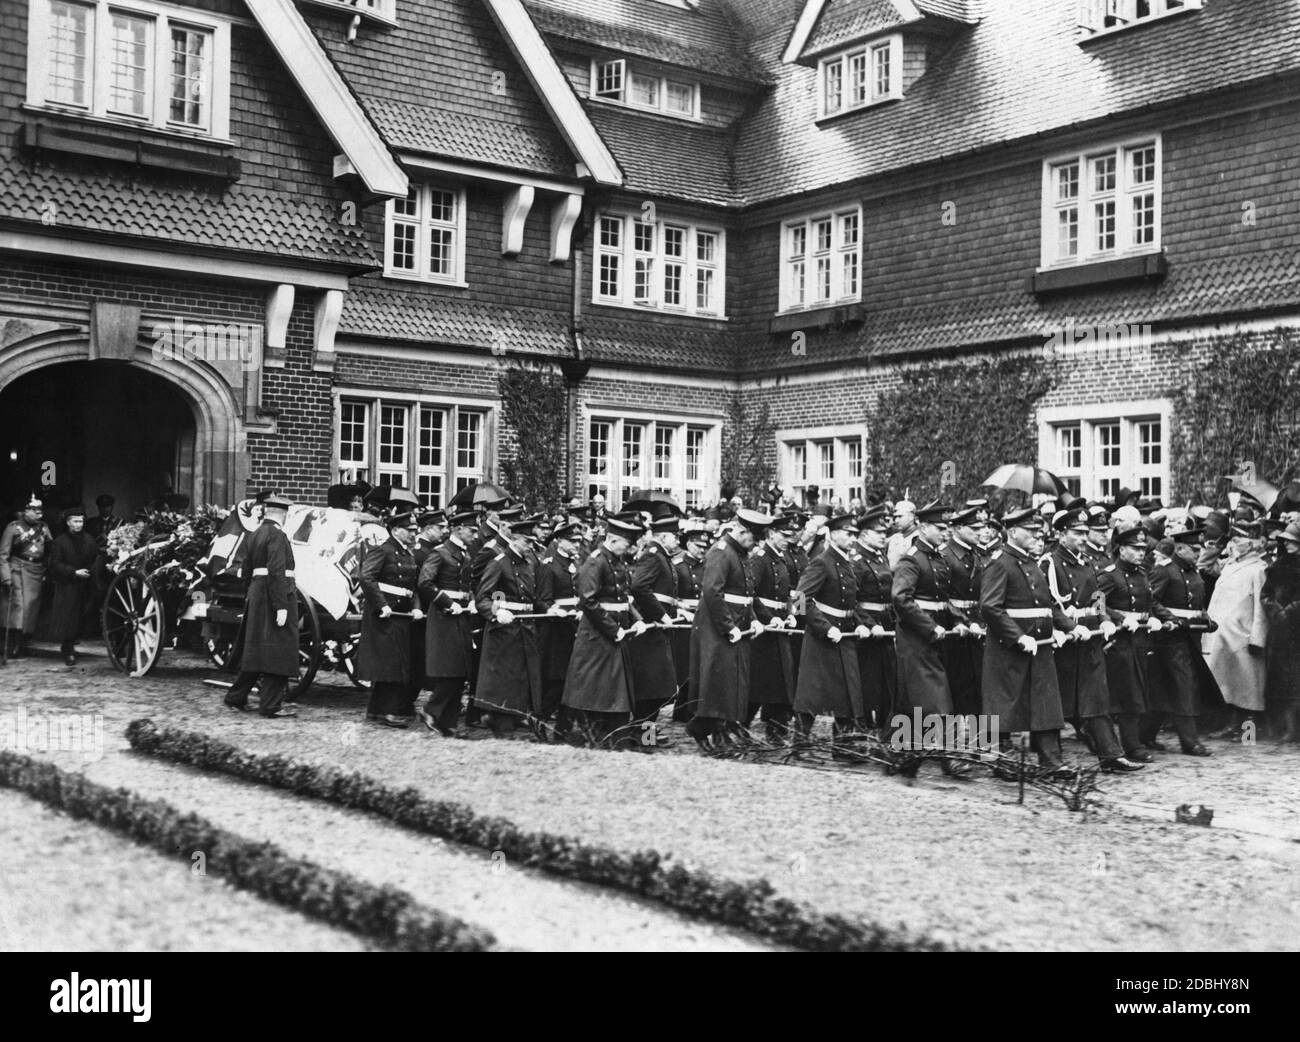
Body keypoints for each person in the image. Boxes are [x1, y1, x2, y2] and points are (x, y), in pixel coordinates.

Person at [1043, 508, 1140, 772]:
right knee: (1057, 703)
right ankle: (1051, 761)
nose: (1083, 537)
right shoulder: (1050, 563)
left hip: (1090, 639)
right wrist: (1069, 626)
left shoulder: (1085, 562)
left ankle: (1110, 755)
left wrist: (1108, 620)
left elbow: (1097, 598)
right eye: (1077, 533)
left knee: (1096, 698)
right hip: (1065, 641)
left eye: (1086, 533)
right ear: (1061, 535)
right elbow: (1047, 604)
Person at [979, 507, 1074, 772]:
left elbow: (1046, 606)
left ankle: (1051, 762)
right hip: (1009, 649)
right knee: (1004, 706)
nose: (1037, 536)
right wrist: (1018, 637)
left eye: (1038, 531)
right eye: (1030, 532)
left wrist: (1062, 628)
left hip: (1040, 647)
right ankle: (1000, 761)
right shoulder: (1000, 562)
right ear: (1012, 532)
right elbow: (990, 607)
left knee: (1046, 704)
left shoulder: (1032, 562)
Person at [688, 509, 769, 748]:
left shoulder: (741, 553)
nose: (755, 545)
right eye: (753, 538)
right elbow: (713, 591)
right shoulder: (722, 552)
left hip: (738, 625)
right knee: (718, 684)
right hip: (716, 628)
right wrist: (728, 626)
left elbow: (746, 595)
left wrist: (754, 619)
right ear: (741, 531)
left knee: (733, 684)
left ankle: (714, 728)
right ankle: (710, 730)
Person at [562, 514, 646, 742]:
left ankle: (612, 730)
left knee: (612, 686)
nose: (629, 549)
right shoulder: (595, 562)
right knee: (593, 686)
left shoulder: (617, 562)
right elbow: (588, 600)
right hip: (597, 635)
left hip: (614, 633)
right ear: (612, 539)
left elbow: (624, 598)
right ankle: (588, 729)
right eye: (626, 544)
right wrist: (612, 628)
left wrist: (637, 619)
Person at [793, 513, 870, 747]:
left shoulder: (848, 562)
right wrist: (824, 628)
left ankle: (844, 746)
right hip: (822, 639)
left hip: (845, 635)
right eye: (848, 534)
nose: (852, 539)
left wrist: (862, 624)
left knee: (848, 691)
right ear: (834, 534)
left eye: (855, 535)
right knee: (812, 694)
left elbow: (850, 603)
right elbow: (799, 600)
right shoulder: (821, 561)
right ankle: (799, 743)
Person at [1097, 525, 1171, 762]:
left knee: (1138, 690)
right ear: (1121, 549)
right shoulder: (1109, 575)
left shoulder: (1142, 574)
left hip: (1140, 638)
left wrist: (1156, 618)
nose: (1141, 553)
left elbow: (1147, 604)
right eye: (1135, 548)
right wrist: (1118, 618)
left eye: (1143, 548)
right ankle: (1130, 746)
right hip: (1119, 640)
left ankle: (1131, 743)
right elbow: (1097, 603)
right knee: (1125, 694)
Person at [223, 494, 301, 719]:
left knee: (255, 650)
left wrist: (252, 594)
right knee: (278, 649)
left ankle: (236, 696)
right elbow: (277, 570)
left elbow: (246, 570)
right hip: (274, 596)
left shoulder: (254, 533)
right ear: (283, 514)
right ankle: (271, 705)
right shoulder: (277, 535)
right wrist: (282, 606)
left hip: (257, 595)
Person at [1148, 528, 1215, 756]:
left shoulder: (1193, 572)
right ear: (1179, 548)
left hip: (1191, 637)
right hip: (1169, 638)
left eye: (1200, 549)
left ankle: (1144, 736)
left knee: (1165, 687)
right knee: (1182, 685)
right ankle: (1190, 742)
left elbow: (1196, 603)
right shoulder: (1165, 571)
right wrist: (1171, 619)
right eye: (1194, 549)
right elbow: (1151, 601)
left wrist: (1206, 618)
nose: (1198, 553)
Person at [474, 516, 543, 735]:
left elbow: (532, 596)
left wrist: (548, 609)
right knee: (504, 677)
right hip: (505, 629)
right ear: (515, 539)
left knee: (521, 675)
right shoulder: (499, 563)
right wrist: (496, 611)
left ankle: (514, 715)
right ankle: (499, 720)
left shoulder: (529, 564)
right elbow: (484, 597)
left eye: (532, 542)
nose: (531, 547)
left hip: (525, 626)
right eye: (527, 542)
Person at [356, 508, 425, 728]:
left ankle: (376, 710)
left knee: (396, 662)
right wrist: (381, 604)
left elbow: (412, 587)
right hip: (383, 615)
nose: (413, 533)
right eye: (409, 530)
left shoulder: (408, 553)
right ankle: (387, 711)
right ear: (395, 530)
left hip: (402, 614)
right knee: (390, 664)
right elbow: (366, 577)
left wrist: (416, 607)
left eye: (415, 530)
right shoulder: (383, 550)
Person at [1205, 520, 1269, 739]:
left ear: (1250, 544)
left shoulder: (1258, 569)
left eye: (1237, 540)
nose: (1232, 544)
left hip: (1243, 635)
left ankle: (1247, 734)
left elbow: (1261, 606)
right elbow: (1204, 566)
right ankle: (1232, 726)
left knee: (1248, 690)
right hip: (1223, 635)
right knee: (1229, 686)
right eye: (1232, 540)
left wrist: (1258, 636)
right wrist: (1218, 545)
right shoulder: (1230, 565)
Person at [892, 500, 955, 722]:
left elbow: (944, 600)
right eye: (940, 528)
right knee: (931, 697)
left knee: (915, 698)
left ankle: (902, 745)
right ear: (923, 528)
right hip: (916, 636)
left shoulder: (939, 558)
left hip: (936, 634)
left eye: (948, 529)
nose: (945, 534)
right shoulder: (912, 558)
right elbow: (901, 598)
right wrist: (929, 626)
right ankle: (932, 752)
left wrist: (961, 621)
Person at [416, 509, 478, 736]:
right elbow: (425, 582)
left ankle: (448, 724)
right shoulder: (440, 553)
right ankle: (431, 711)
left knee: (460, 670)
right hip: (443, 617)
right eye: (471, 530)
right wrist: (446, 602)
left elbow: (466, 586)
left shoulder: (465, 555)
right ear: (458, 529)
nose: (474, 534)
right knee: (450, 670)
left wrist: (470, 601)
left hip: (461, 615)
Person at [747, 512, 798, 741]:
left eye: (791, 535)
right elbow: (751, 594)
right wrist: (767, 619)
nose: (789, 539)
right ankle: (740, 723)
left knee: (782, 680)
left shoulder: (783, 558)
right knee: (759, 682)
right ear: (771, 533)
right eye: (784, 534)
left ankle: (777, 728)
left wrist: (794, 613)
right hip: (764, 630)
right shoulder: (759, 559)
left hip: (781, 628)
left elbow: (794, 591)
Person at [628, 515, 682, 727]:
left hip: (658, 631)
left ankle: (643, 735)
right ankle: (643, 737)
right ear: (663, 536)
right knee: (652, 692)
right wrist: (661, 614)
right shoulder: (653, 555)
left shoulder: (662, 556)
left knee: (658, 691)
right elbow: (639, 586)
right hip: (650, 630)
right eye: (675, 536)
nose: (677, 540)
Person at [940, 505, 987, 717]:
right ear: (958, 528)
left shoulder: (976, 555)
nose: (980, 532)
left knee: (978, 683)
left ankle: (980, 741)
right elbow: (941, 597)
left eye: (982, 527)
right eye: (974, 528)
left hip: (977, 627)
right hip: (953, 628)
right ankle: (954, 742)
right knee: (956, 685)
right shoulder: (944, 556)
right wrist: (964, 622)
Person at [852, 504, 896, 732]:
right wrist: (868, 624)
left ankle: (880, 732)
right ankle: (858, 732)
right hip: (866, 632)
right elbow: (850, 600)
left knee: (885, 684)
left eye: (885, 532)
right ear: (864, 534)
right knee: (866, 685)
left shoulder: (881, 557)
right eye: (879, 533)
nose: (884, 536)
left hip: (886, 629)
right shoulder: (855, 560)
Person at [536, 521, 582, 728]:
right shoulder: (549, 565)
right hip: (556, 630)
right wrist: (554, 610)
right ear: (559, 541)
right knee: (557, 679)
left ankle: (564, 726)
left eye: (579, 541)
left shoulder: (577, 564)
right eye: (572, 541)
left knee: (571, 678)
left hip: (574, 626)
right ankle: (540, 718)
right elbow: (542, 599)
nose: (576, 545)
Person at [1261, 522, 1300, 742]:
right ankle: (1284, 727)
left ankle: (1295, 729)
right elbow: (1266, 594)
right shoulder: (1277, 566)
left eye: (1292, 539)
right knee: (1281, 680)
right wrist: (1275, 611)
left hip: (1297, 631)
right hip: (1280, 632)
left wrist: (1291, 611)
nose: (1287, 543)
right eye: (1286, 539)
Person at [1, 495, 52, 658]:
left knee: (30, 607)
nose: (39, 515)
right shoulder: (13, 527)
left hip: (36, 570)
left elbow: (50, 550)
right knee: (19, 606)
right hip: (17, 568)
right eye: (36, 512)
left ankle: (24, 641)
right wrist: (5, 576)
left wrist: (46, 570)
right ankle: (14, 644)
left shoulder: (44, 528)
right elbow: (3, 554)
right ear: (27, 511)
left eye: (40, 512)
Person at [48, 506, 100, 665]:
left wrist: (90, 571)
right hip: (68, 584)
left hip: (85, 583)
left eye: (81, 521)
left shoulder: (90, 540)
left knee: (82, 616)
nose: (79, 524)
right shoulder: (59, 542)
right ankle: (68, 649)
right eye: (75, 521)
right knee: (68, 617)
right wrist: (74, 572)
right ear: (69, 523)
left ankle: (73, 643)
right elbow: (55, 564)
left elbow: (95, 558)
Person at [671, 522, 708, 721]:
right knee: (685, 666)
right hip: (683, 621)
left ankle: (688, 710)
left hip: (701, 618)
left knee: (697, 666)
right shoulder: (677, 565)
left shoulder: (708, 565)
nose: (702, 550)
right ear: (688, 545)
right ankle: (682, 710)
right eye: (698, 546)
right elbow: (669, 595)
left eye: (705, 547)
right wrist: (679, 609)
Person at [886, 499, 918, 569]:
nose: (896, 521)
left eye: (900, 516)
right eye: (895, 517)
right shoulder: (895, 537)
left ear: (911, 517)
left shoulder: (918, 537)